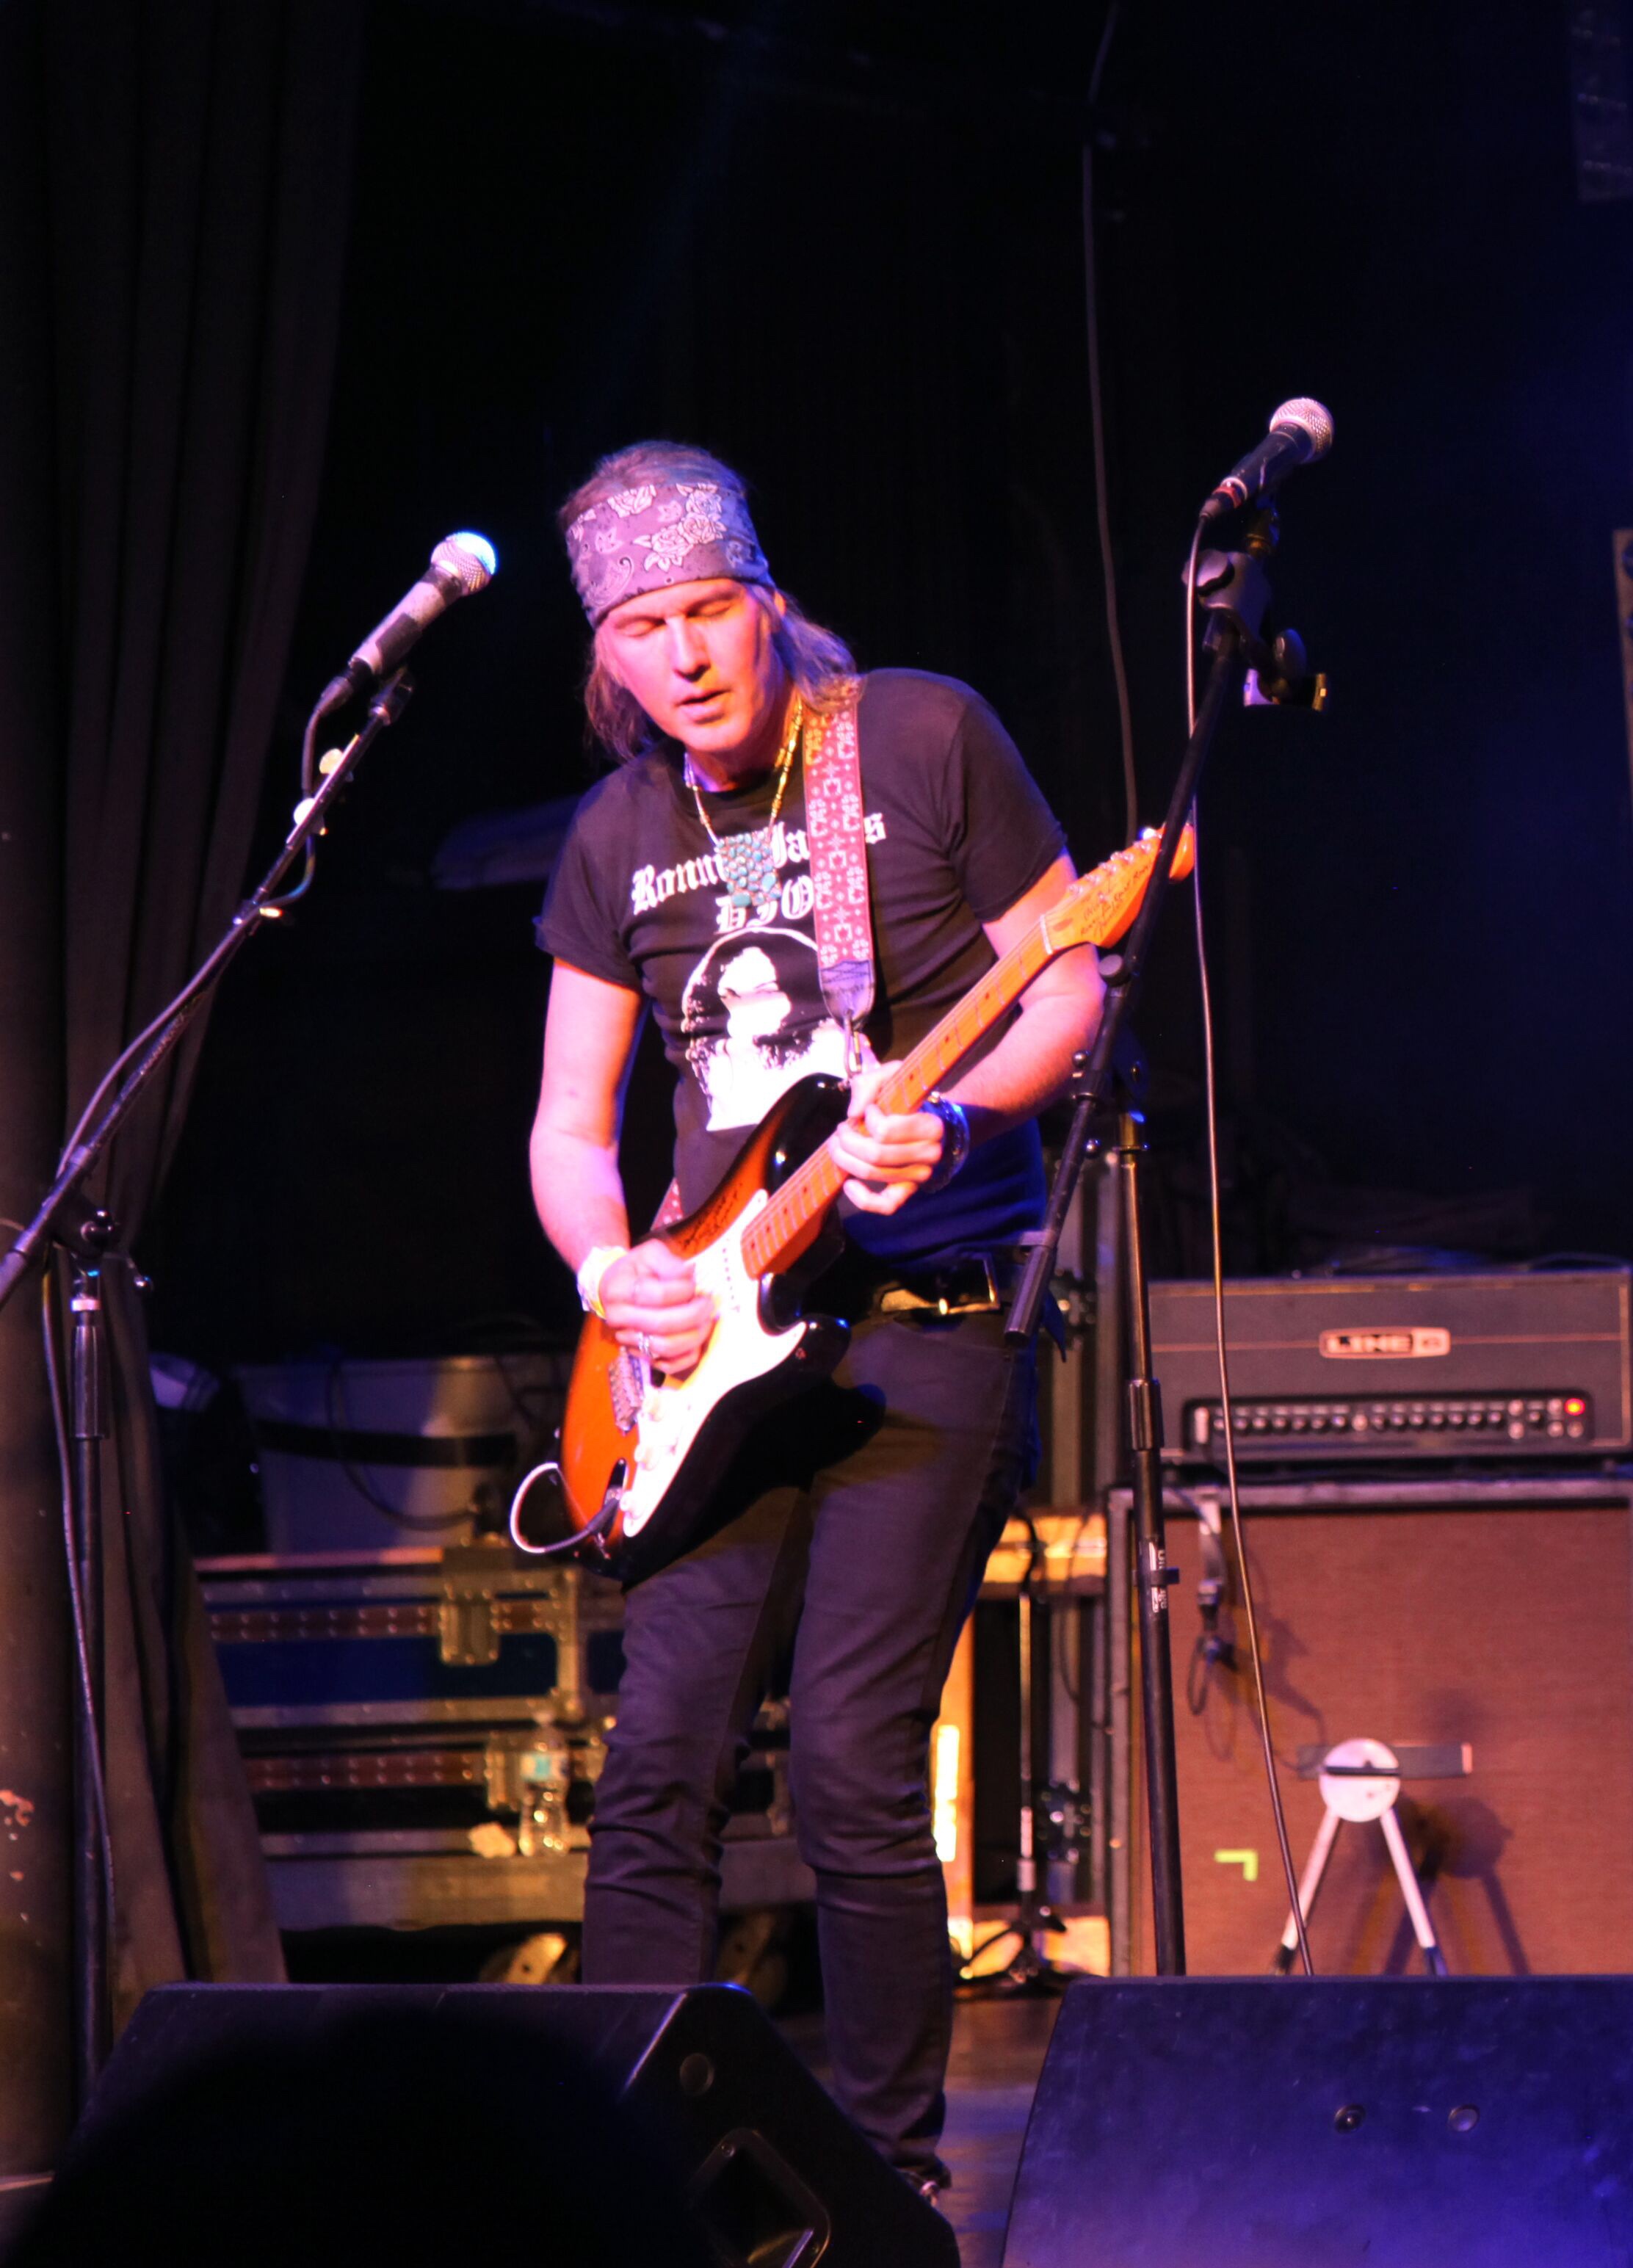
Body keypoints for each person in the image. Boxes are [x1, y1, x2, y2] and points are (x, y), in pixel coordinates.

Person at [530, 440, 1104, 2199]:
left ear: (768, 604)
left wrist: (960, 1120)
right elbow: (569, 1129)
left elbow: (1065, 981)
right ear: (604, 653)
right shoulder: (616, 835)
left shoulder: (917, 736)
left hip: (923, 1323)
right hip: (712, 1352)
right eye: (643, 627)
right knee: (656, 1771)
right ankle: (627, 2191)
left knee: (854, 1766)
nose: (685, 654)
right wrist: (608, 1270)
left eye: (710, 611)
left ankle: (884, 2188)